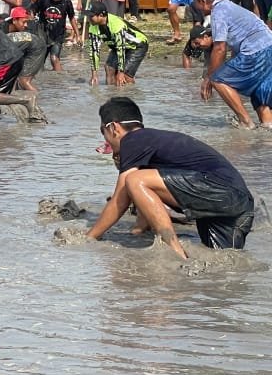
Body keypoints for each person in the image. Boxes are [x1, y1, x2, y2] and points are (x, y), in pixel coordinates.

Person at [87, 96, 255, 259]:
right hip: (236, 204)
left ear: (114, 128)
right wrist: (138, 231)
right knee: (222, 264)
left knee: (134, 180)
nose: (106, 140)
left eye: (103, 132)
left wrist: (90, 237)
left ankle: (173, 251)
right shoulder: (151, 143)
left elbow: (120, 198)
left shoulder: (132, 140)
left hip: (220, 191)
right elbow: (144, 199)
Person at [190, 0, 272, 128]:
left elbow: (220, 48)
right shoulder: (230, 6)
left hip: (256, 50)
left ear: (203, 1)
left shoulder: (219, 11)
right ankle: (266, 133)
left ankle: (246, 122)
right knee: (259, 92)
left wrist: (209, 78)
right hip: (268, 47)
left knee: (219, 79)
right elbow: (234, 47)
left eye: (195, 2)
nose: (195, 7)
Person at [86, 1, 149, 87]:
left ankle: (130, 94)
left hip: (137, 45)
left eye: (91, 16)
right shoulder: (93, 26)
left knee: (125, 76)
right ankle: (112, 96)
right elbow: (94, 51)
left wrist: (121, 72)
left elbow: (121, 48)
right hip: (117, 46)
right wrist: (94, 74)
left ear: (101, 15)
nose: (88, 18)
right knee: (109, 68)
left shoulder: (116, 24)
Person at [32, 0, 77, 72]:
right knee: (40, 60)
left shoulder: (66, 2)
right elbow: (33, 12)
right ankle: (42, 80)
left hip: (58, 35)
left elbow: (72, 18)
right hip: (43, 33)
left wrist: (77, 34)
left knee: (54, 58)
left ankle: (59, 81)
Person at [5, 6, 47, 91]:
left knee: (23, 81)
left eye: (27, 22)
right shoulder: (2, 30)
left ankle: (38, 100)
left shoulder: (15, 35)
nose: (26, 25)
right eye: (24, 22)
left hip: (37, 49)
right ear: (14, 20)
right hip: (37, 48)